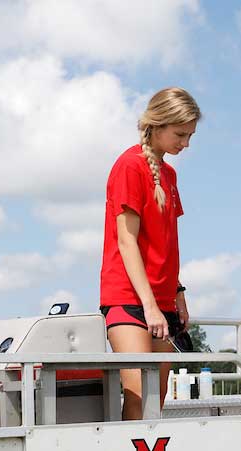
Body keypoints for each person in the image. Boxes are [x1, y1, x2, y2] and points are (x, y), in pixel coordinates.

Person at [99, 87, 201, 419]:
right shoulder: (129, 166)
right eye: (180, 134)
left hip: (163, 300)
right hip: (129, 298)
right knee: (139, 396)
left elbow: (165, 242)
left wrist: (178, 292)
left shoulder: (169, 174)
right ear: (157, 125)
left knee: (154, 403)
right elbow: (127, 242)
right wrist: (150, 306)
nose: (185, 144)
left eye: (190, 136)